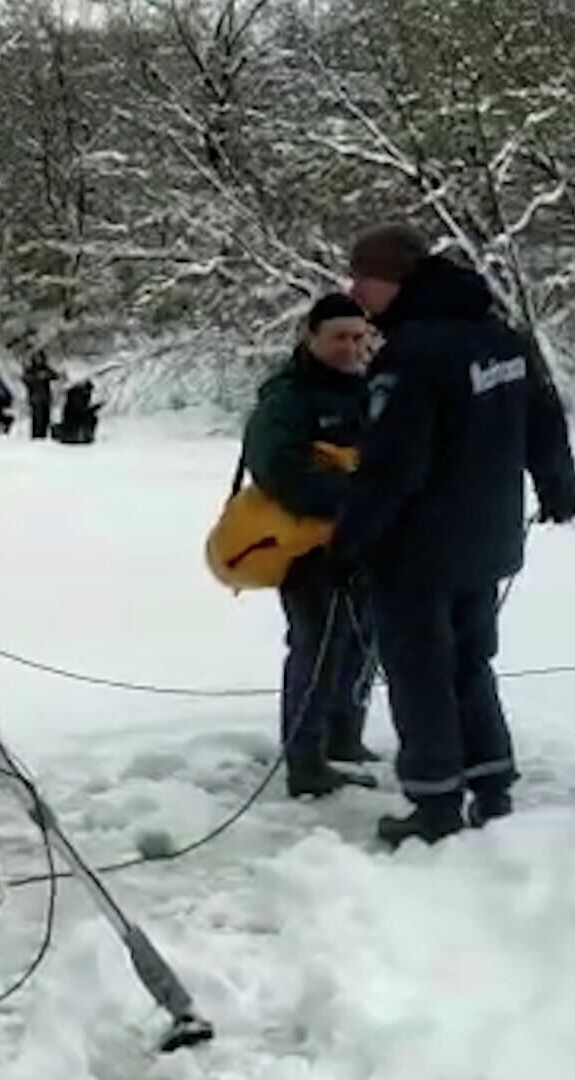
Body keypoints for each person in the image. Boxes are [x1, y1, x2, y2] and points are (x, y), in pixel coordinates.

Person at [334, 224, 575, 847]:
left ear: (395, 279)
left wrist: (352, 537)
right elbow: (544, 420)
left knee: (419, 670)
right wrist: (556, 485)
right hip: (488, 540)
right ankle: (491, 782)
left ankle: (435, 799)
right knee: (471, 660)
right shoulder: (500, 338)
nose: (357, 294)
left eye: (363, 281)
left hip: (419, 548)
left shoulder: (412, 355)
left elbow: (393, 464)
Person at [241, 294, 382, 798]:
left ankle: (346, 738)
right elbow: (275, 465)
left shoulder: (375, 387)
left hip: (367, 540)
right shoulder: (289, 397)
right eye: (340, 337)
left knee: (364, 643)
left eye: (359, 337)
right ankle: (306, 756)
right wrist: (348, 497)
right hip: (308, 546)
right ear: (312, 337)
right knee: (319, 644)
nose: (351, 347)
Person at [52, 379, 102, 444]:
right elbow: (82, 412)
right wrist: (95, 408)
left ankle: (82, 436)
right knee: (91, 418)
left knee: (91, 418)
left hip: (70, 428)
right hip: (73, 430)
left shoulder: (73, 398)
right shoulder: (78, 397)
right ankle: (83, 436)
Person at [22, 355, 59, 440]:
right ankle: (36, 436)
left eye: (41, 359)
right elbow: (25, 379)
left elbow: (55, 376)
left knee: (45, 418)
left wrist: (46, 375)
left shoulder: (46, 369)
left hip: (46, 398)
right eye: (37, 359)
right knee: (37, 418)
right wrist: (36, 377)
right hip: (35, 398)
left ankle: (43, 435)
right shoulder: (30, 370)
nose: (39, 360)